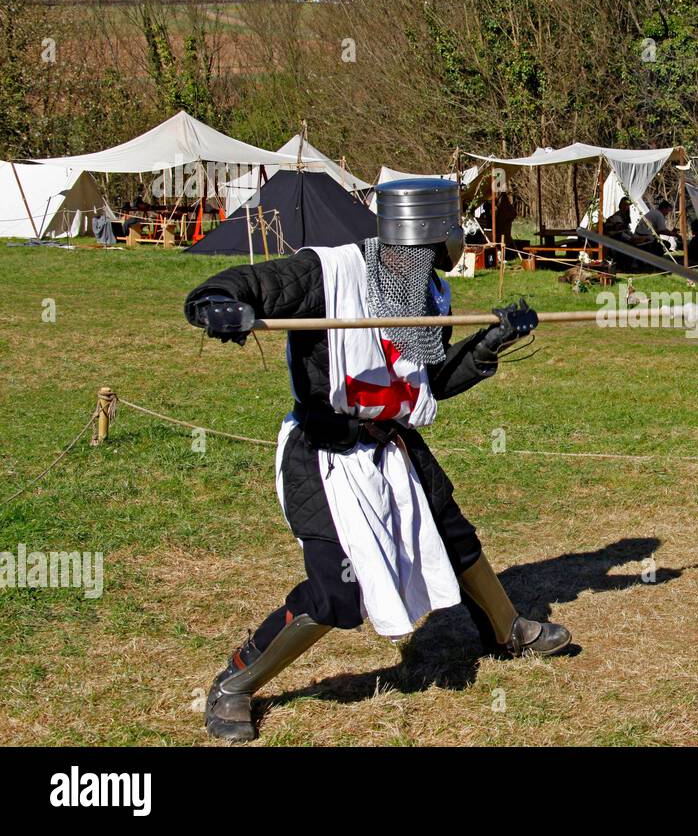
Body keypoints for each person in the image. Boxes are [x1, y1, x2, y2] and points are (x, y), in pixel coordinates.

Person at [184, 177, 571, 742]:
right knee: (335, 593)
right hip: (325, 452)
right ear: (434, 236)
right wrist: (218, 305)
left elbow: (425, 381)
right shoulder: (330, 272)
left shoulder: (426, 293)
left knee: (454, 536)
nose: (436, 261)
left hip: (392, 444)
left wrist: (487, 344)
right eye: (435, 249)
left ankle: (506, 630)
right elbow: (242, 284)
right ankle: (234, 686)